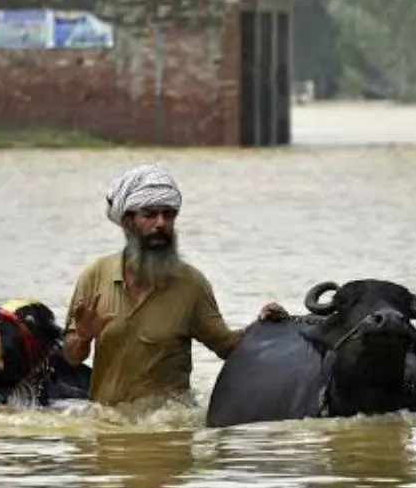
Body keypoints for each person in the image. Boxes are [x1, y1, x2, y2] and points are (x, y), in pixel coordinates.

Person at [61, 164, 288, 408]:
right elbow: (72, 358)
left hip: (169, 428)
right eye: (150, 215)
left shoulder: (191, 284)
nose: (161, 223)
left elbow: (227, 348)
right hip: (107, 427)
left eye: (168, 215)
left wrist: (263, 328)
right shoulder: (95, 276)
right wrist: (83, 337)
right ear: (128, 222)